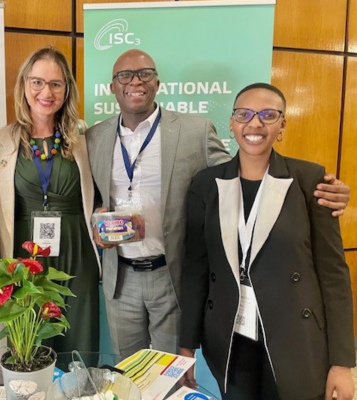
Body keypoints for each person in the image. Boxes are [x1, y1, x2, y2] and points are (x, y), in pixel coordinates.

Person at [85, 49, 351, 360]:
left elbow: (240, 176)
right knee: (128, 368)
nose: (135, 81)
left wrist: (315, 192)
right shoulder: (94, 137)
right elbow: (93, 197)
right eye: (124, 75)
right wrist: (97, 221)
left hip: (171, 276)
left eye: (145, 73)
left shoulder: (194, 131)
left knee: (169, 374)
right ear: (112, 87)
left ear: (157, 83)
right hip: (120, 279)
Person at [179, 83, 355, 400]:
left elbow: (334, 276)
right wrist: (185, 347)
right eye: (244, 114)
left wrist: (342, 363)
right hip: (231, 336)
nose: (255, 124)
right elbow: (196, 271)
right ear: (231, 124)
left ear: (282, 125)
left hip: (296, 336)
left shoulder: (310, 180)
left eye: (268, 115)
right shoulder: (207, 185)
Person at [0, 47, 100, 353]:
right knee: (28, 345)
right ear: (23, 86)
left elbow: (102, 195)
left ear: (66, 90)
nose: (46, 91)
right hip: (23, 258)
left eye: (56, 84)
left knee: (78, 344)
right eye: (37, 82)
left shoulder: (85, 137)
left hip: (76, 254)